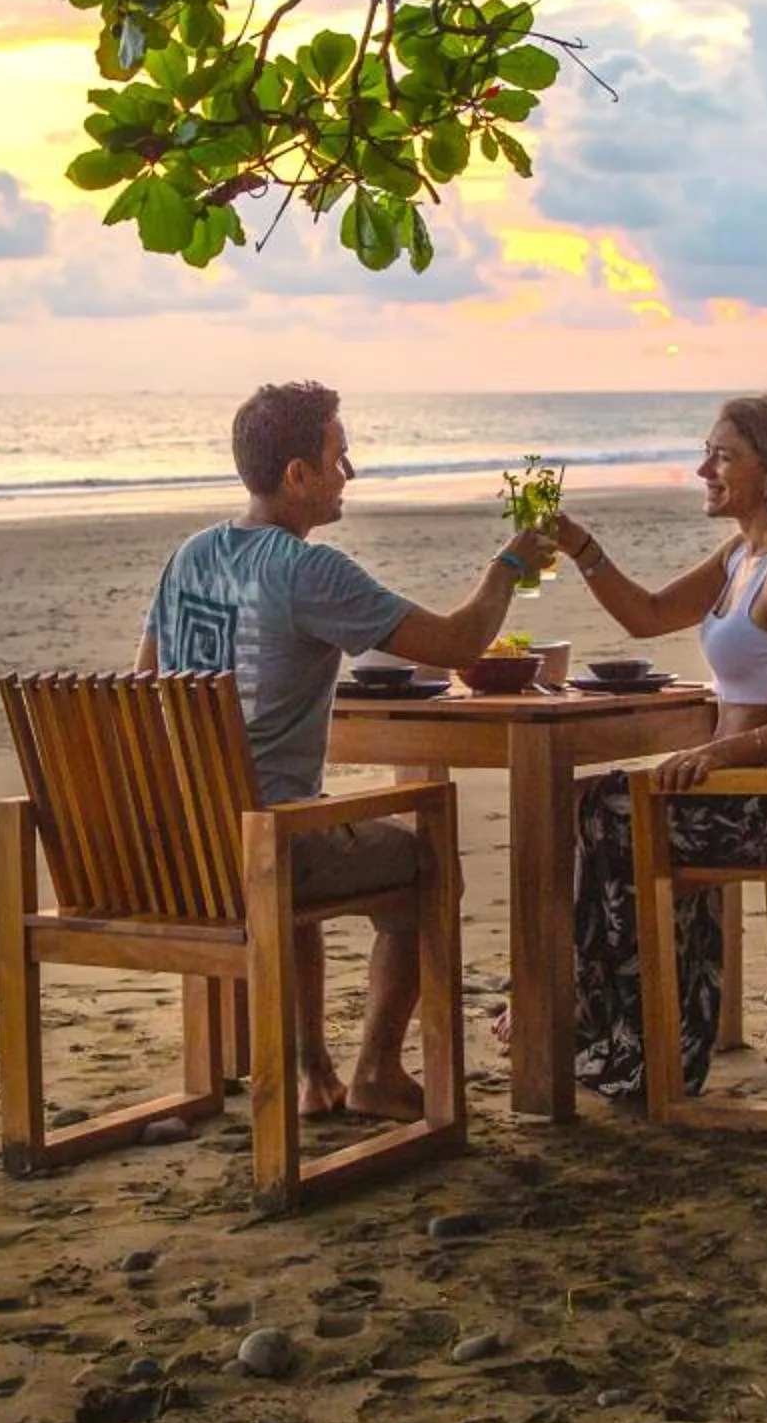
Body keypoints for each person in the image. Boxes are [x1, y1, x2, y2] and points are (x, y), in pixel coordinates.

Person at [142, 381, 558, 1121]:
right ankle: (375, 1071)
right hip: (263, 844)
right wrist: (510, 566)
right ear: (298, 474)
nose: (351, 473)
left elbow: (149, 686)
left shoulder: (189, 557)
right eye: (341, 456)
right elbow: (458, 645)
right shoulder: (308, 570)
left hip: (179, 843)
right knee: (426, 859)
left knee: (300, 824)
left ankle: (316, 1075)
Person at [546, 394, 767, 1099]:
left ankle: (606, 1020)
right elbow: (649, 616)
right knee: (595, 803)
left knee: (608, 808)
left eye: (723, 455)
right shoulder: (741, 557)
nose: (704, 468)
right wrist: (580, 547)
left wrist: (724, 753)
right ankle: (627, 1028)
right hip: (733, 796)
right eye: (708, 452)